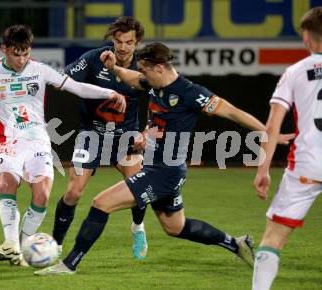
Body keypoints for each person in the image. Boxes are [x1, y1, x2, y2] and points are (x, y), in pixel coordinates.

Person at [34, 42, 293, 276]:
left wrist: (268, 133)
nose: (142, 76)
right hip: (160, 167)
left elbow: (233, 112)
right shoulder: (152, 83)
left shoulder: (190, 92)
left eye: (145, 71)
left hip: (164, 172)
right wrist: (114, 69)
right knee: (175, 227)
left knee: (101, 203)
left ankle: (68, 264)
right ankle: (235, 243)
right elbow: (131, 77)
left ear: (158, 68)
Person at [0, 24, 126, 266]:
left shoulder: (40, 70)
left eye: (25, 53)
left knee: (42, 196)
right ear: (3, 49)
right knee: (6, 184)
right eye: (16, 54)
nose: (21, 59)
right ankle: (10, 244)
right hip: (9, 142)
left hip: (38, 141)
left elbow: (76, 87)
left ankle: (22, 250)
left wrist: (108, 92)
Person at [52, 16, 149, 259]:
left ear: (137, 43)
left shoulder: (145, 67)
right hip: (91, 133)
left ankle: (138, 227)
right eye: (118, 41)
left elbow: (162, 105)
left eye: (129, 42)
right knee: (73, 192)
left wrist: (146, 132)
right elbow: (62, 82)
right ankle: (55, 244)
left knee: (140, 188)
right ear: (112, 40)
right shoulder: (95, 58)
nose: (123, 47)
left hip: (126, 137)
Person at [252, 7, 322, 290]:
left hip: (308, 163)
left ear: (306, 37)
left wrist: (263, 170)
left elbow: (272, 128)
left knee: (273, 238)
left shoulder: (294, 72)